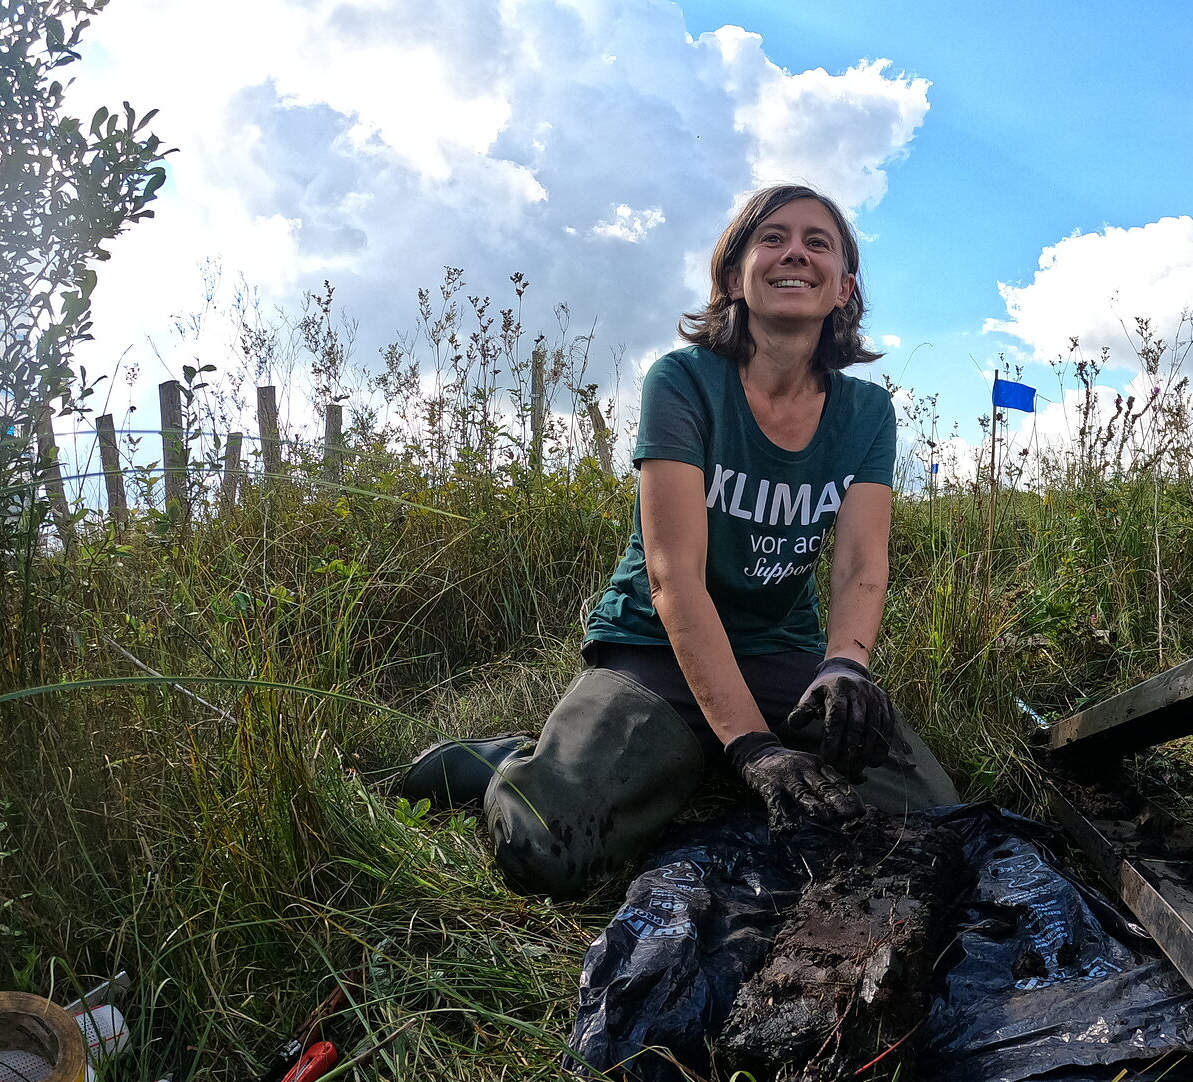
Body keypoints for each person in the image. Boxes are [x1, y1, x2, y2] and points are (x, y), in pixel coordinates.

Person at [403, 184, 958, 899]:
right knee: (547, 847)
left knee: (929, 816)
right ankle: (508, 760)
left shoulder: (866, 411)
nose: (796, 252)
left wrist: (844, 668)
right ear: (734, 277)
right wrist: (755, 745)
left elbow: (859, 563)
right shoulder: (685, 382)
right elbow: (673, 577)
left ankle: (699, 751)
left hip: (778, 651)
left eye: (818, 242)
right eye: (773, 238)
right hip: (654, 648)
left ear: (844, 287)